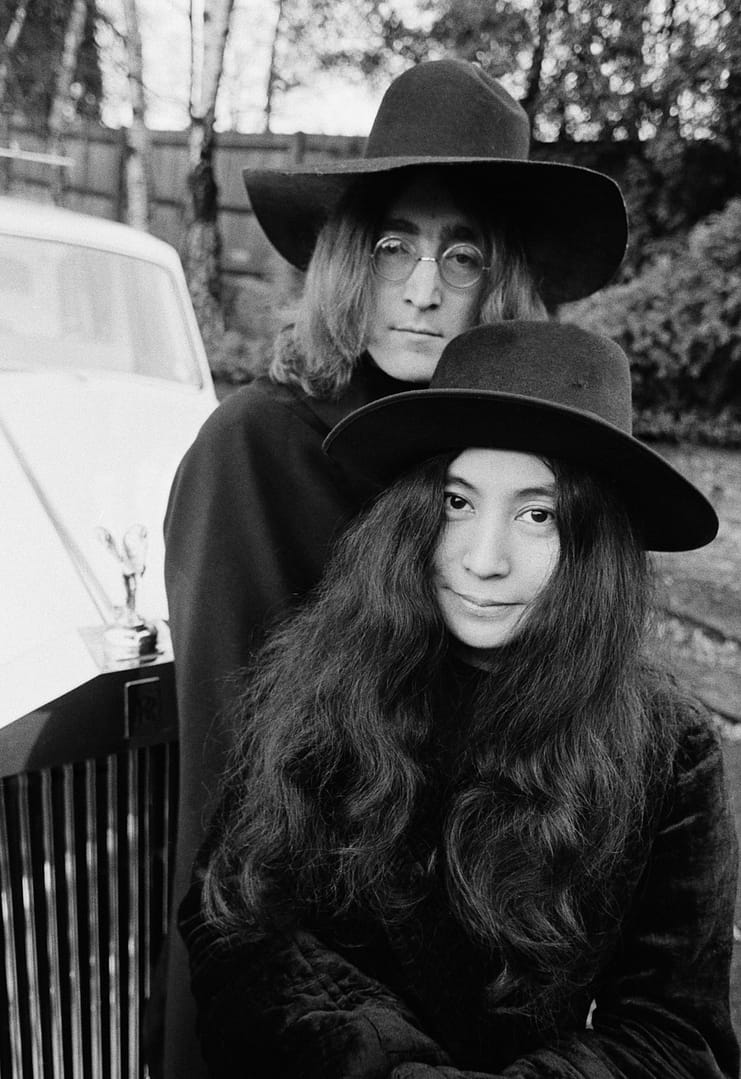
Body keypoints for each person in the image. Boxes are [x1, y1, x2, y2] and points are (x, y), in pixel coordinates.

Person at [160, 59, 628, 1076]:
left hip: (478, 978)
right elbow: (227, 789)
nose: (420, 289)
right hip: (285, 972)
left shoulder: (488, 463)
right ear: (345, 259)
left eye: (460, 256)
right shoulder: (257, 445)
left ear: (500, 280)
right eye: (392, 245)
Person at [180, 321, 737, 1078]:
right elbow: (238, 921)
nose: (483, 560)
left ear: (594, 544)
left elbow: (675, 1036)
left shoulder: (667, 751)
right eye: (456, 502)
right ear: (412, 511)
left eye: (536, 514)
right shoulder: (322, 675)